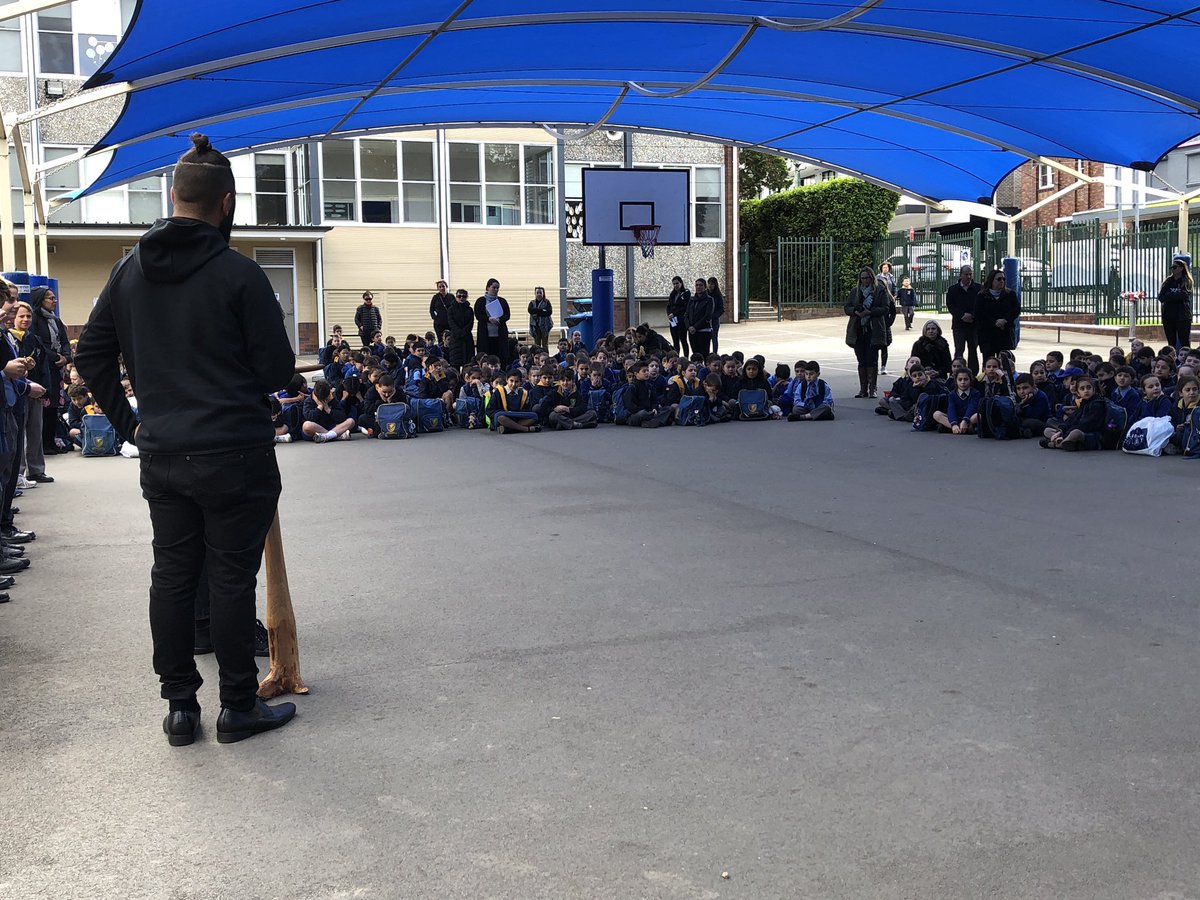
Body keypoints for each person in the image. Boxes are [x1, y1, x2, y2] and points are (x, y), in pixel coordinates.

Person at [74, 133, 298, 747]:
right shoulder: (240, 275)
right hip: (234, 451)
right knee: (230, 577)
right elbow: (279, 372)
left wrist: (132, 425)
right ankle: (237, 707)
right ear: (226, 202)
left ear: (173, 196)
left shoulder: (127, 271)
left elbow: (89, 355)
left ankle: (179, 708)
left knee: (172, 573)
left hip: (165, 451)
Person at [30, 285, 70, 457]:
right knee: (45, 406)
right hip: (44, 368)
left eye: (54, 298)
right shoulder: (35, 319)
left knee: (54, 406)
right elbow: (39, 344)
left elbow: (65, 341)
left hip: (57, 370)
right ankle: (43, 444)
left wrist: (66, 357)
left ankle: (50, 441)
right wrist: (56, 357)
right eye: (50, 298)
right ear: (40, 300)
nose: (54, 301)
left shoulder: (56, 320)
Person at [844, 266, 888, 398]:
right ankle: (863, 389)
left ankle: (872, 388)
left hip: (873, 329)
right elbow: (847, 307)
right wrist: (855, 312)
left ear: (872, 277)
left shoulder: (880, 290)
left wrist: (870, 312)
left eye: (867, 278)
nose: (865, 281)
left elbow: (885, 308)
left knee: (872, 359)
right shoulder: (855, 291)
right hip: (858, 329)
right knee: (861, 359)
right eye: (862, 278)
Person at [974, 269, 1020, 364]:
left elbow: (1015, 310)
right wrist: (994, 322)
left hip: (1004, 333)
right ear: (992, 281)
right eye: (999, 279)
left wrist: (1005, 320)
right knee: (989, 362)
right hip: (988, 335)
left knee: (1004, 361)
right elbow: (979, 314)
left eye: (1003, 279)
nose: (1002, 281)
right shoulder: (982, 296)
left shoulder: (1010, 295)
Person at [946, 264, 980, 375]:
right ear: (961, 275)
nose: (969, 276)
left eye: (970, 274)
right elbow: (951, 306)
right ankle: (957, 372)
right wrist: (962, 315)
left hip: (973, 325)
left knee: (973, 350)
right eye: (966, 274)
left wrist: (972, 315)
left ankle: (973, 373)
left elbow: (980, 305)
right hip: (959, 325)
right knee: (959, 349)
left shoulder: (978, 289)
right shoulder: (953, 289)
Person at [1158, 256, 1193, 351]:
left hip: (1182, 316)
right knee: (1171, 341)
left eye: (1175, 267)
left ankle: (1187, 359)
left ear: (1181, 268)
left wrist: (1169, 296)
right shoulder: (1168, 281)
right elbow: (1161, 297)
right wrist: (1174, 295)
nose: (1172, 269)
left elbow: (1184, 295)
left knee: (1184, 341)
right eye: (1172, 267)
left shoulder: (1186, 281)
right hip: (1168, 315)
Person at [474, 278, 511, 366]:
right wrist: (488, 319)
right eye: (494, 287)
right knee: (487, 355)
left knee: (500, 355)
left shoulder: (502, 301)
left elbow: (507, 315)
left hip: (499, 334)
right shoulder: (481, 301)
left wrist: (500, 319)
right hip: (486, 334)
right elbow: (478, 315)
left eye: (497, 288)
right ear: (487, 288)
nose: (496, 290)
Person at [933, 369, 980, 434]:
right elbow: (951, 409)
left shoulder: (975, 393)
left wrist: (965, 420)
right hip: (956, 418)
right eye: (960, 379)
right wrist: (953, 423)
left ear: (970, 380)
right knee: (936, 414)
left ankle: (962, 427)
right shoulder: (952, 394)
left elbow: (972, 407)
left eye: (965, 379)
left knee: (978, 416)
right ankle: (957, 428)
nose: (963, 382)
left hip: (969, 418)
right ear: (956, 381)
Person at [685, 279, 714, 357]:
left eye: (701, 285)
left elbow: (707, 316)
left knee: (704, 354)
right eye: (697, 285)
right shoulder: (692, 300)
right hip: (692, 332)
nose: (698, 287)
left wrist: (695, 327)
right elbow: (686, 315)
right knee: (695, 354)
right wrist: (689, 327)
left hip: (703, 331)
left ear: (705, 287)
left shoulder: (709, 300)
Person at [666, 276, 690, 356]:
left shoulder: (686, 293)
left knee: (683, 340)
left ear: (681, 283)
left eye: (677, 283)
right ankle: (676, 357)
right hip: (673, 321)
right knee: (675, 341)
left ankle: (686, 357)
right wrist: (669, 314)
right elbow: (669, 306)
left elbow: (685, 307)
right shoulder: (672, 294)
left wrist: (675, 313)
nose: (675, 285)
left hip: (681, 320)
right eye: (674, 284)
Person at [527, 286, 554, 350]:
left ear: (543, 293)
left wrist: (537, 311)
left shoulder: (547, 302)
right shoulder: (532, 302)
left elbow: (549, 312)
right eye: (537, 293)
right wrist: (541, 310)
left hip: (545, 326)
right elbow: (530, 310)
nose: (539, 294)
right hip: (535, 326)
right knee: (537, 345)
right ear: (535, 294)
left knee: (545, 345)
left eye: (540, 293)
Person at [707, 277, 725, 354]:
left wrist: (714, 316)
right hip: (706, 320)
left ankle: (714, 353)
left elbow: (721, 309)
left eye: (712, 284)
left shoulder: (718, 295)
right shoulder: (705, 294)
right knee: (706, 338)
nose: (710, 285)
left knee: (714, 338)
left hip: (714, 320)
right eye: (709, 284)